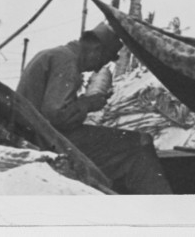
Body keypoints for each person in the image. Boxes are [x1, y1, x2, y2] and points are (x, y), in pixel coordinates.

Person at [17, 22, 172, 194]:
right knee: (140, 142)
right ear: (96, 50)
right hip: (45, 140)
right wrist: (88, 104)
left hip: (37, 135)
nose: (99, 68)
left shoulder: (56, 54)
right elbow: (56, 115)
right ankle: (162, 204)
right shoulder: (66, 61)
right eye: (104, 60)